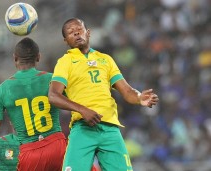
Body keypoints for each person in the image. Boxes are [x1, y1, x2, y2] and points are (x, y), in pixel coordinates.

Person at [48, 18, 159, 171]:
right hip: (83, 128)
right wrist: (82, 110)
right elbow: (53, 95)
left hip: (110, 129)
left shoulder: (105, 60)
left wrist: (139, 98)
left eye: (78, 29)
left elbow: (127, 91)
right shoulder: (65, 62)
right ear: (66, 41)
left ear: (88, 32)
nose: (75, 33)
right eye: (70, 33)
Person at [0, 37, 67, 171]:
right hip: (58, 146)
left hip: (29, 153)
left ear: (15, 58)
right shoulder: (53, 79)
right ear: (38, 57)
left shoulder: (2, 90)